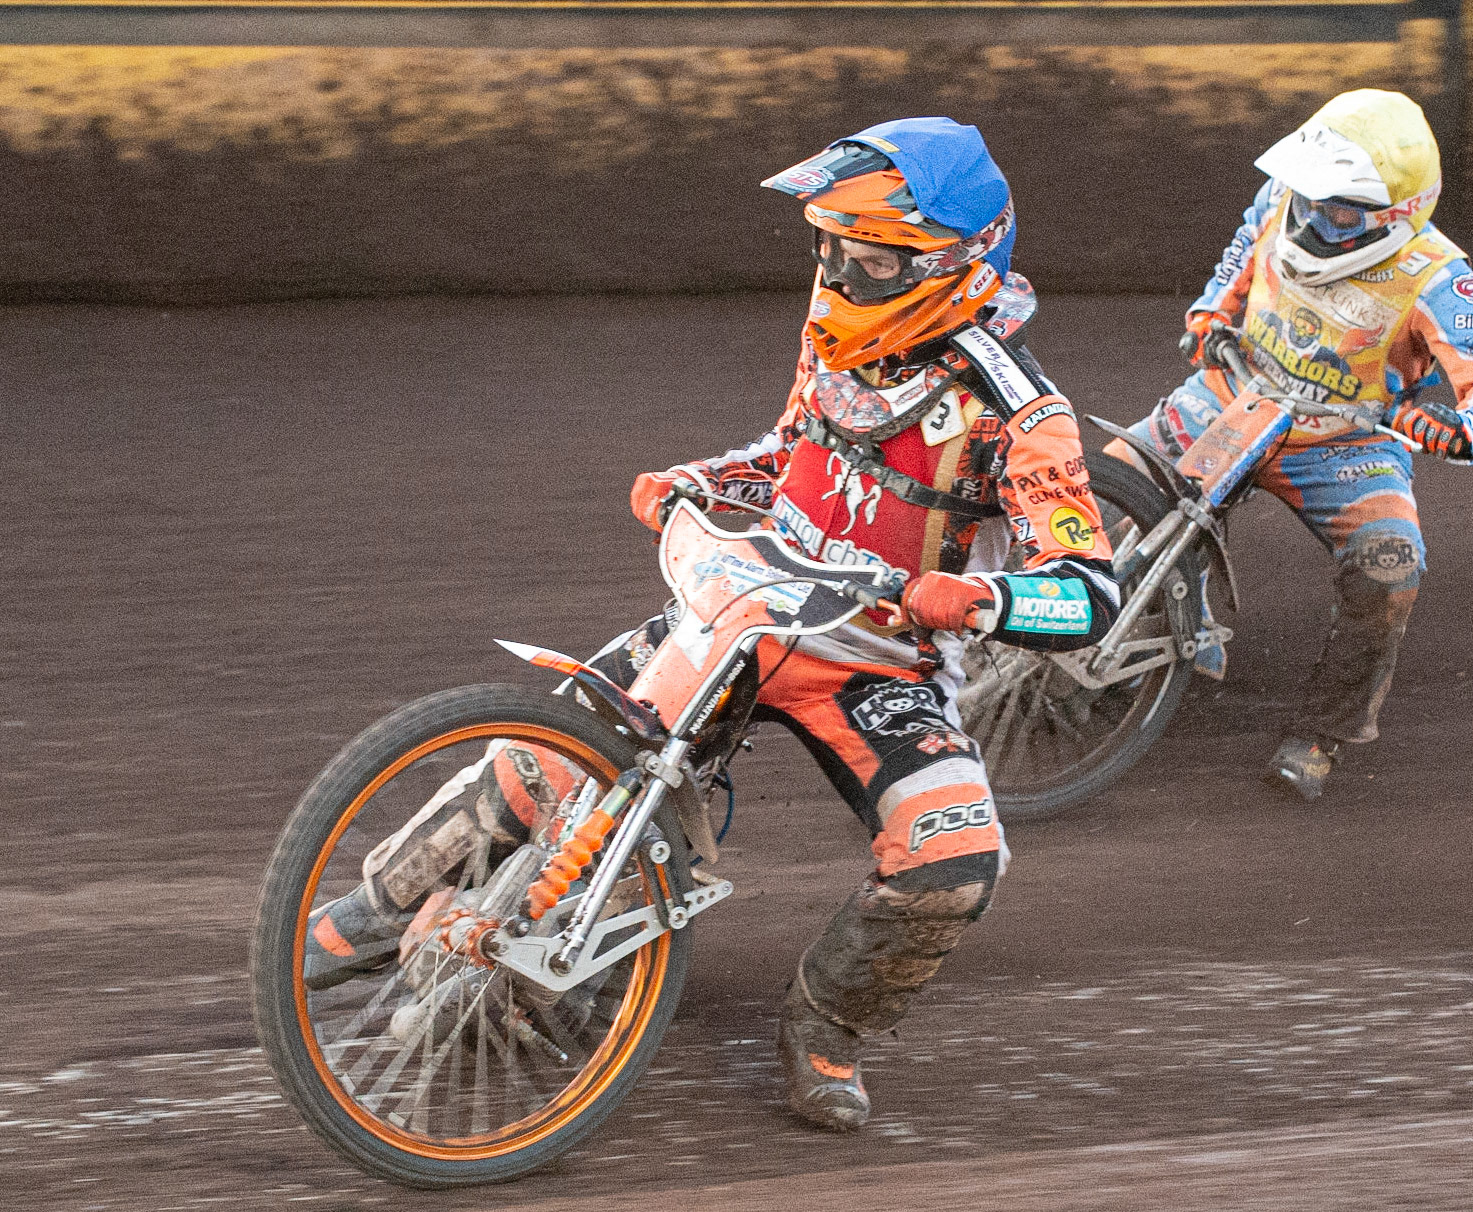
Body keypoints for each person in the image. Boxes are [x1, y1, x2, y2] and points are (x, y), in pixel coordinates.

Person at [303, 117, 1117, 1133]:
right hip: (749, 603)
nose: (839, 275)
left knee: (954, 858)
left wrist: (981, 600)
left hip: (879, 665)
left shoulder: (1023, 414)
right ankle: (373, 911)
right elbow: (786, 455)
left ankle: (826, 1028)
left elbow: (1091, 591)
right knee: (553, 749)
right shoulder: (834, 336)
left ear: (952, 264)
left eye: (870, 259)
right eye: (831, 247)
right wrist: (696, 478)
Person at [1121, 88, 1473, 800]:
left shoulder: (1439, 278)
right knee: (1105, 488)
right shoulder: (1282, 196)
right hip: (1234, 391)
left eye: (1339, 211)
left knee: (1390, 567)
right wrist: (1211, 316)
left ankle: (1324, 732)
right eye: (1310, 199)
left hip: (1344, 444)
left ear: (1397, 213)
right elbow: (1238, 259)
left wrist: (1463, 430)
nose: (1312, 218)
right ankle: (1174, 626)